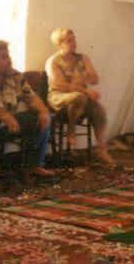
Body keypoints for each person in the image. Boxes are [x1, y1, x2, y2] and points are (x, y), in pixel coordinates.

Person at [0, 40, 54, 191]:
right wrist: (3, 116)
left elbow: (31, 98)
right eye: (4, 57)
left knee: (44, 117)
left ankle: (34, 165)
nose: (9, 60)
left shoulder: (15, 75)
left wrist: (43, 111)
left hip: (11, 120)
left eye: (8, 56)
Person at [45, 27, 115, 165]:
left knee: (99, 110)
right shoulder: (53, 61)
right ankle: (71, 130)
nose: (74, 43)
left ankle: (102, 150)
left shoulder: (82, 58)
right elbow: (61, 85)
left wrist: (90, 75)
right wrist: (85, 90)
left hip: (80, 96)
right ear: (59, 44)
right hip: (58, 97)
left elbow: (95, 79)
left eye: (74, 39)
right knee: (79, 97)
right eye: (69, 40)